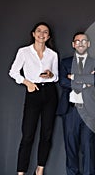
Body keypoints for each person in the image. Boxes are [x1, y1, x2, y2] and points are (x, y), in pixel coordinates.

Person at [9, 22, 58, 175]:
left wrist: (51, 75)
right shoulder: (24, 52)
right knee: (28, 134)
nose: (42, 34)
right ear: (33, 34)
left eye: (45, 32)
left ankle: (40, 169)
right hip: (33, 91)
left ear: (48, 36)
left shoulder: (53, 54)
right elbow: (13, 72)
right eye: (39, 31)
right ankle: (21, 172)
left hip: (50, 92)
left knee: (47, 133)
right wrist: (27, 82)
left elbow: (56, 77)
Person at [56, 32, 95, 175]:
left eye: (84, 41)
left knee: (88, 147)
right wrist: (85, 81)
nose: (80, 43)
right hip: (70, 110)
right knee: (70, 147)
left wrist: (73, 77)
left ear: (88, 44)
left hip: (89, 110)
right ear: (73, 44)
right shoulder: (65, 62)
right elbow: (63, 82)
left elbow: (94, 80)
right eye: (77, 41)